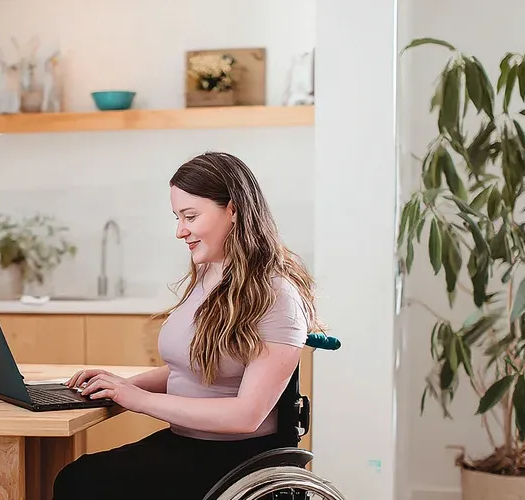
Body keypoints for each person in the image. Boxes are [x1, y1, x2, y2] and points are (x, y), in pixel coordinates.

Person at [53, 151, 323, 499]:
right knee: (77, 477)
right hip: (188, 445)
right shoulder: (211, 272)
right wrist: (117, 385)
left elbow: (246, 415)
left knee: (81, 483)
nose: (181, 231)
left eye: (191, 216)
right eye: (178, 218)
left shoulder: (276, 295)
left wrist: (136, 399)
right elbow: (193, 369)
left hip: (236, 459)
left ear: (234, 210)